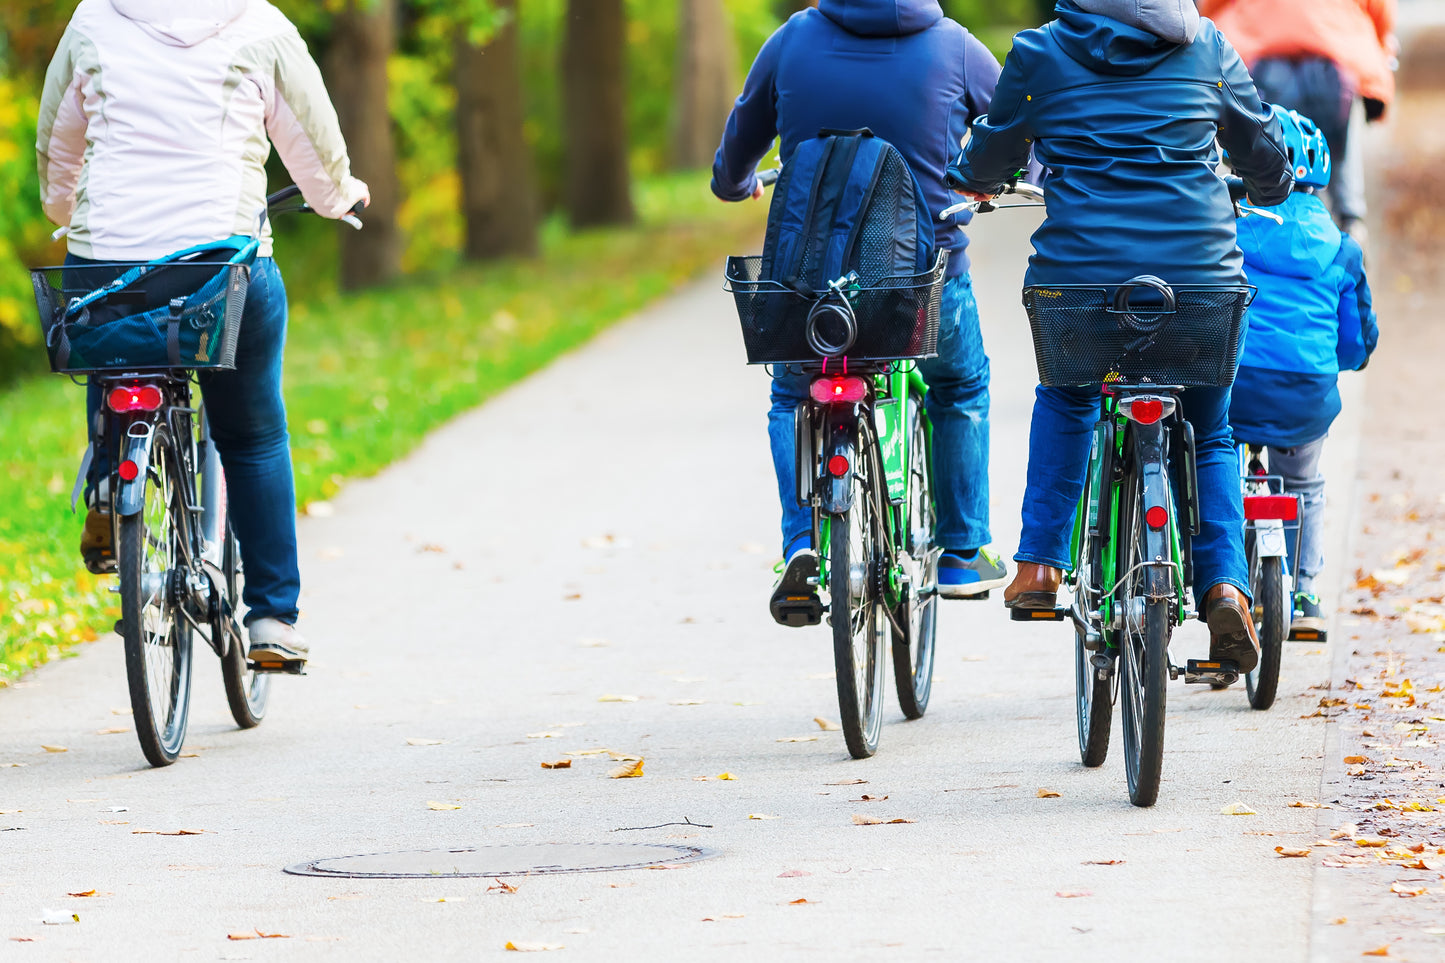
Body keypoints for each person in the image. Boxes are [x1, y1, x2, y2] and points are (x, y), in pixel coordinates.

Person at [949, 0, 1293, 673]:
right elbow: (1262, 149)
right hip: (1198, 285)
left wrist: (977, 179)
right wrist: (1270, 181)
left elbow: (989, 151)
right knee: (1210, 427)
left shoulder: (1040, 53)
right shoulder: (1209, 49)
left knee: (1069, 396)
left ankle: (1040, 565)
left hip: (1081, 287)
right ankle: (1223, 583)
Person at [37, 0, 370, 666]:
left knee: (109, 342)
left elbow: (58, 141)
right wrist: (339, 197)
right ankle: (271, 617)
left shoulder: (94, 19)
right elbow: (310, 137)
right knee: (252, 436)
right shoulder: (260, 24)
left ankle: (109, 477)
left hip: (107, 262)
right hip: (220, 266)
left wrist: (62, 207)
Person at [711, 0, 1010, 619]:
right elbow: (1014, 131)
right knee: (959, 384)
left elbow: (738, 145)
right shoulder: (955, 47)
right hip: (922, 286)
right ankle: (961, 550)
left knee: (793, 397)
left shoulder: (793, 40)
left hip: (809, 288)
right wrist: (1001, 179)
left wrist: (737, 181)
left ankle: (803, 546)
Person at [1227, 109, 1377, 638]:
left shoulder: (1231, 229)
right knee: (1306, 483)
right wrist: (1342, 361)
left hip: (1237, 384)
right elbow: (1356, 338)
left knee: (1218, 463)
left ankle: (1223, 580)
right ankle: (1308, 593)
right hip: (1306, 392)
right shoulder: (1341, 247)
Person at [1198, 0, 1398, 247]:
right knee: (1340, 129)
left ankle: (1247, 224)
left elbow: (1209, 5)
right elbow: (1380, 9)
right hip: (1333, 47)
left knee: (1257, 141)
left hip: (1261, 46)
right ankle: (1351, 218)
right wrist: (1379, 41)